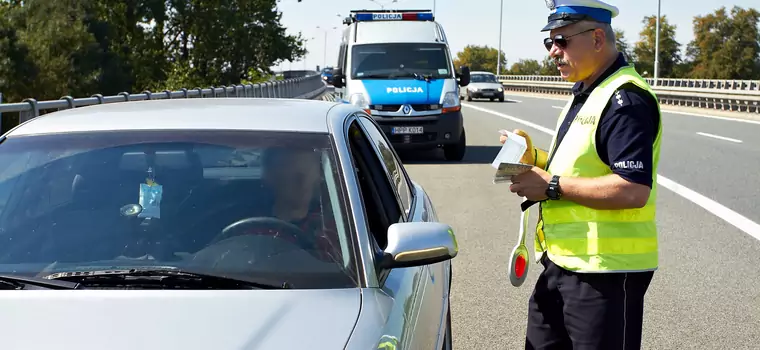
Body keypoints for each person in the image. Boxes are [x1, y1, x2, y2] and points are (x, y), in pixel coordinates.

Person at [501, 1, 663, 349]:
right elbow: (585, 163)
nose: (553, 52)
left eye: (561, 41)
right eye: (549, 43)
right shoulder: (588, 92)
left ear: (597, 38)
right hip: (563, 263)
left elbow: (633, 188)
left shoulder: (625, 100)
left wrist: (551, 185)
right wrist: (536, 159)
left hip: (604, 272)